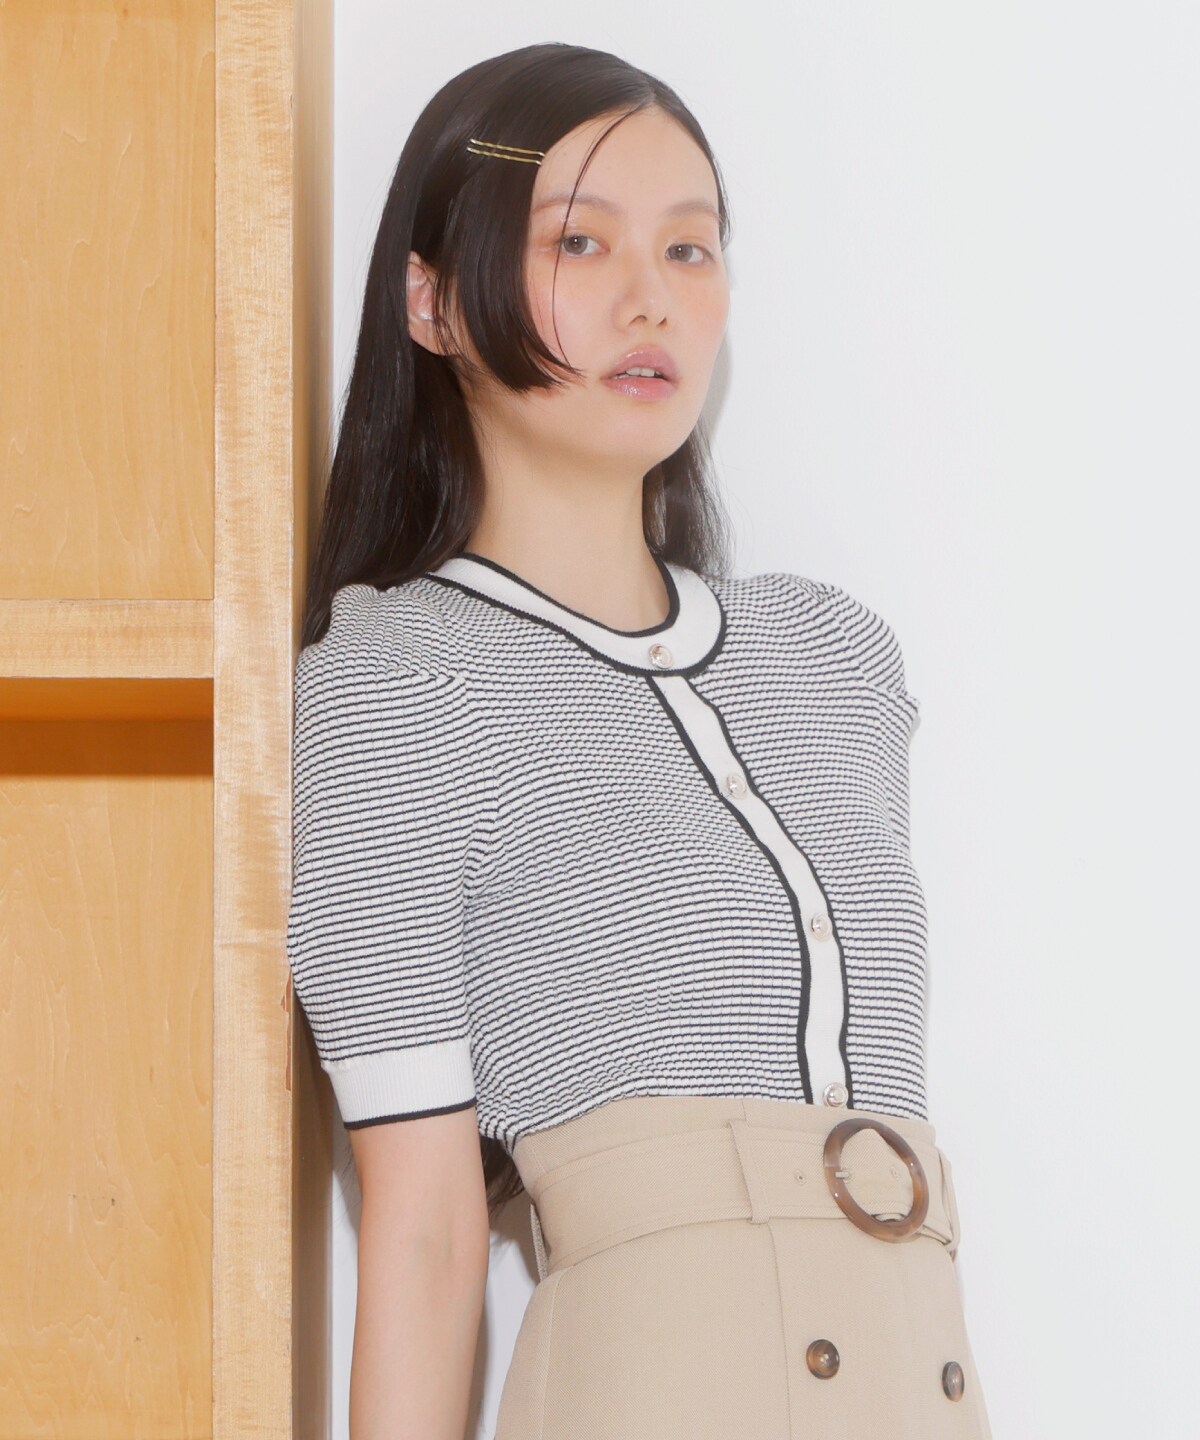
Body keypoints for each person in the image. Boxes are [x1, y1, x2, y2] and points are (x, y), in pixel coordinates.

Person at [285, 40, 994, 1440]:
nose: (649, 296)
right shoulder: (391, 685)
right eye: (580, 241)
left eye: (689, 248)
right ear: (433, 302)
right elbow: (424, 1234)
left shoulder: (831, 659)